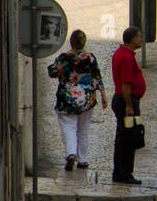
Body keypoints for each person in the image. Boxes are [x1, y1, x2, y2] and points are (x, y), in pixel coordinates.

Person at [47, 30, 107, 171]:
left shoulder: (64, 58)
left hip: (67, 98)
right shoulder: (90, 58)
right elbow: (97, 77)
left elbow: (52, 72)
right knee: (83, 129)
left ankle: (71, 153)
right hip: (86, 98)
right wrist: (103, 95)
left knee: (69, 127)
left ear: (71, 42)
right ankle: (83, 159)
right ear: (84, 42)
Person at [111, 26, 146, 185]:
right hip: (127, 101)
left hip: (124, 100)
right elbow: (126, 83)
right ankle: (124, 173)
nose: (141, 39)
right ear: (132, 39)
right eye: (139, 37)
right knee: (128, 139)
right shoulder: (126, 57)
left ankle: (120, 172)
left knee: (123, 137)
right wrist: (129, 106)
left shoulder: (123, 53)